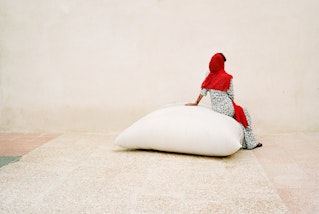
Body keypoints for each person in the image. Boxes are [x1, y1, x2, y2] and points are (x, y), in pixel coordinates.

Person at [186, 53, 262, 149]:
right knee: (244, 114)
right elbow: (231, 96)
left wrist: (196, 102)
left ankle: (247, 142)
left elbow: (204, 90)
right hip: (228, 107)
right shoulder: (227, 77)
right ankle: (251, 143)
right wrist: (233, 107)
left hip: (216, 108)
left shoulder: (208, 75)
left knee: (239, 116)